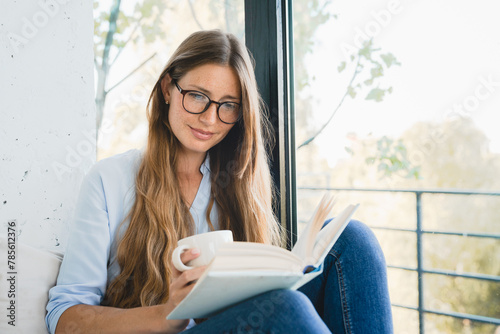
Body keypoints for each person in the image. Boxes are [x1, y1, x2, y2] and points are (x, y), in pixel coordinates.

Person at [46, 30, 393, 333]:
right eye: (197, 96)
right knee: (285, 308)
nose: (210, 119)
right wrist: (167, 314)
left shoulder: (237, 183)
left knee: (352, 240)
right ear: (168, 88)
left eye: (228, 105)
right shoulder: (109, 180)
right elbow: (65, 319)